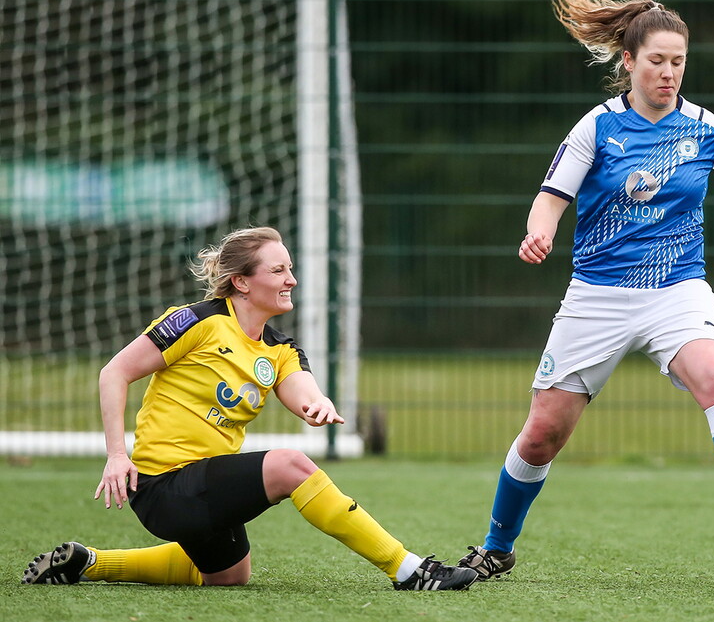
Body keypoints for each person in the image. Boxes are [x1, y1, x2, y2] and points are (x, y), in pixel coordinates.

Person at [458, 0, 714, 581]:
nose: (668, 73)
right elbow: (552, 195)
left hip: (677, 290)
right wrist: (541, 230)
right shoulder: (598, 128)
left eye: (678, 63)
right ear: (629, 61)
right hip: (598, 295)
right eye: (656, 61)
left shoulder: (709, 131)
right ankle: (497, 544)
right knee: (541, 436)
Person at [22, 226, 477, 591]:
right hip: (163, 486)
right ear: (242, 281)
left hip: (204, 484)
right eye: (278, 270)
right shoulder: (198, 321)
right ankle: (409, 569)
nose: (291, 280)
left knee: (228, 577)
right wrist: (118, 455)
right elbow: (113, 373)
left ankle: (90, 563)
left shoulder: (280, 350)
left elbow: (303, 392)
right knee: (292, 465)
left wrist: (318, 405)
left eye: (291, 269)